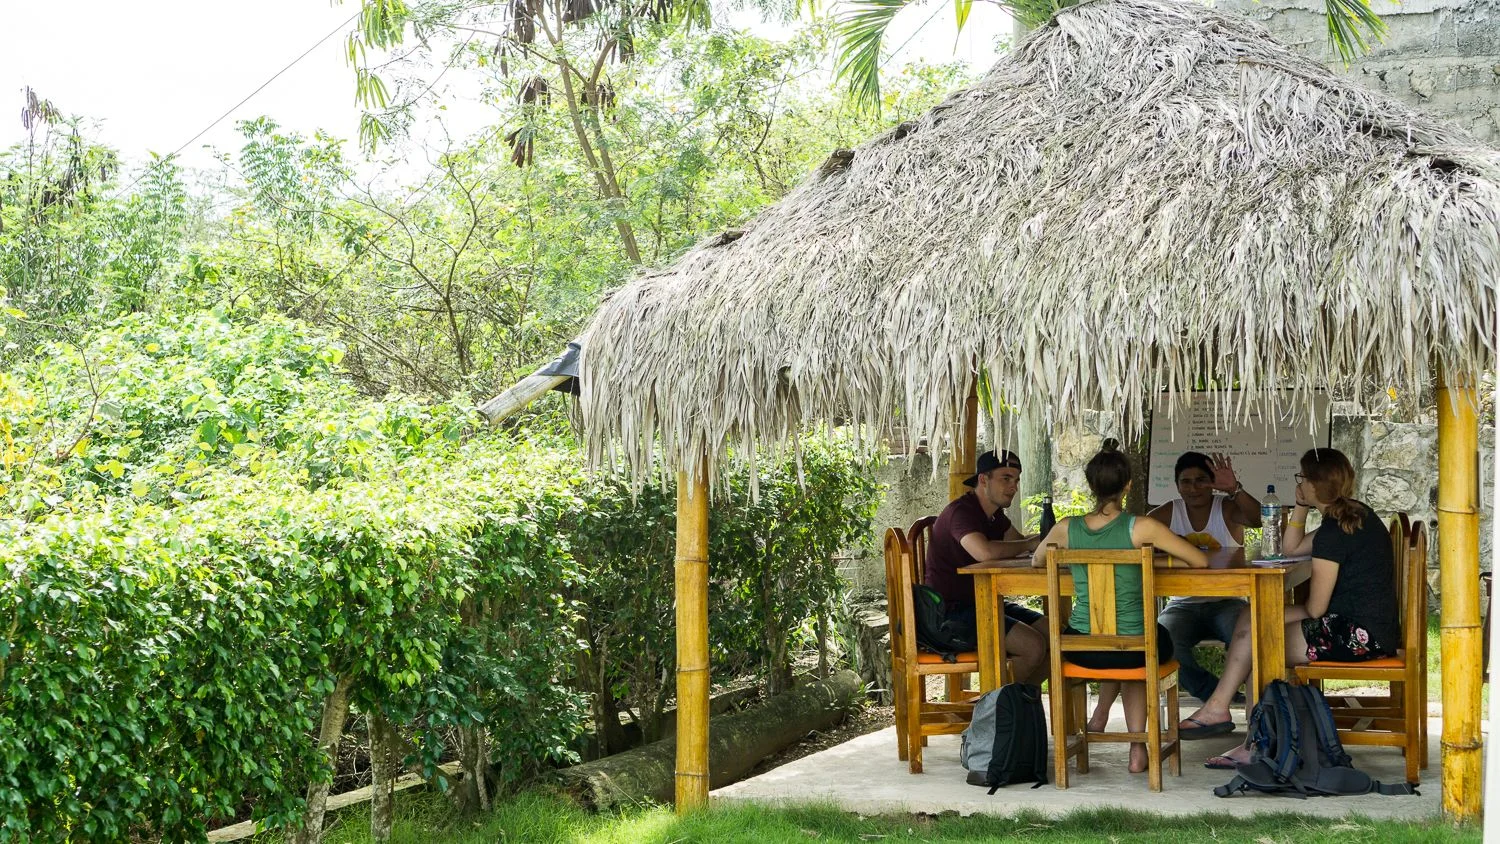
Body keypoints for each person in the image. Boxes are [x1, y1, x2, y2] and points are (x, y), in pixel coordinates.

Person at [1183, 447, 1401, 769]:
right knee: (1251, 616)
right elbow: (1291, 548)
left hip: (1359, 633)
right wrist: (1300, 506)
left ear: (1315, 484)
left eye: (1302, 478)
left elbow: (1315, 608)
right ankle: (1221, 709)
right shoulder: (1353, 514)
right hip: (1363, 624)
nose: (1299, 483)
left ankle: (1254, 743)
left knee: (1261, 645)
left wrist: (1271, 620)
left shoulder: (1333, 534)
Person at [1030, 439, 1209, 773]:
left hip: (1081, 647)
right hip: (1133, 646)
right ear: (1127, 485)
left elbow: (1038, 561)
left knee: (1122, 642)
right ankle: (1137, 748)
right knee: (1142, 645)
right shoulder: (1142, 528)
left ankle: (1100, 727)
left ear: (1092, 485)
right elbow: (1198, 560)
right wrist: (1155, 561)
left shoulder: (1067, 528)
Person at [1086, 451, 1263, 732]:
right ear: (1177, 485)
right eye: (1186, 481)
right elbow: (1133, 535)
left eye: (1201, 480)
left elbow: (1258, 519)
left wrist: (1234, 489)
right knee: (1164, 642)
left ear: (1213, 482)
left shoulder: (1226, 507)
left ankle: (1243, 716)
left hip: (1226, 602)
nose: (1193, 488)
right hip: (1183, 605)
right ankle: (1216, 698)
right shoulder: (1169, 512)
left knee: (1252, 640)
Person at [925, 449, 1049, 684]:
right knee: (1032, 646)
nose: (1013, 486)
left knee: (1054, 635)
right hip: (949, 615)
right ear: (983, 479)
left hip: (983, 602)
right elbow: (984, 552)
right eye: (1006, 478)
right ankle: (995, 713)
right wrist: (1031, 542)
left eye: (1016, 480)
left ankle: (1018, 704)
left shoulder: (994, 515)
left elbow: (1018, 542)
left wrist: (1045, 540)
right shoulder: (961, 512)